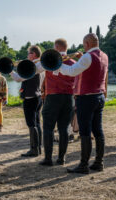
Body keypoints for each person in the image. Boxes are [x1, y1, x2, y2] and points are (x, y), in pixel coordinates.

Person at [59, 33, 108, 174]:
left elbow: (71, 71)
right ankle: (99, 163)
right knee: (98, 130)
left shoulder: (87, 56)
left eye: (84, 43)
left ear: (87, 43)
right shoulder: (104, 55)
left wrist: (58, 64)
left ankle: (83, 165)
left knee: (85, 131)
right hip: (99, 96)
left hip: (86, 98)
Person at [39, 38, 76, 166]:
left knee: (48, 128)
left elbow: (35, 69)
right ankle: (61, 158)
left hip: (53, 96)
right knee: (64, 128)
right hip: (68, 97)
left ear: (56, 48)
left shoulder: (49, 60)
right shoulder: (73, 62)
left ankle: (48, 159)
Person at [10, 45, 44, 157]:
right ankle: (38, 148)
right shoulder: (41, 65)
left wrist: (10, 70)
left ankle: (34, 149)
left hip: (31, 98)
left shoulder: (34, 66)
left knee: (31, 124)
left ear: (34, 54)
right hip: (38, 97)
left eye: (28, 53)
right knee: (37, 123)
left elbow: (18, 78)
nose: (27, 55)